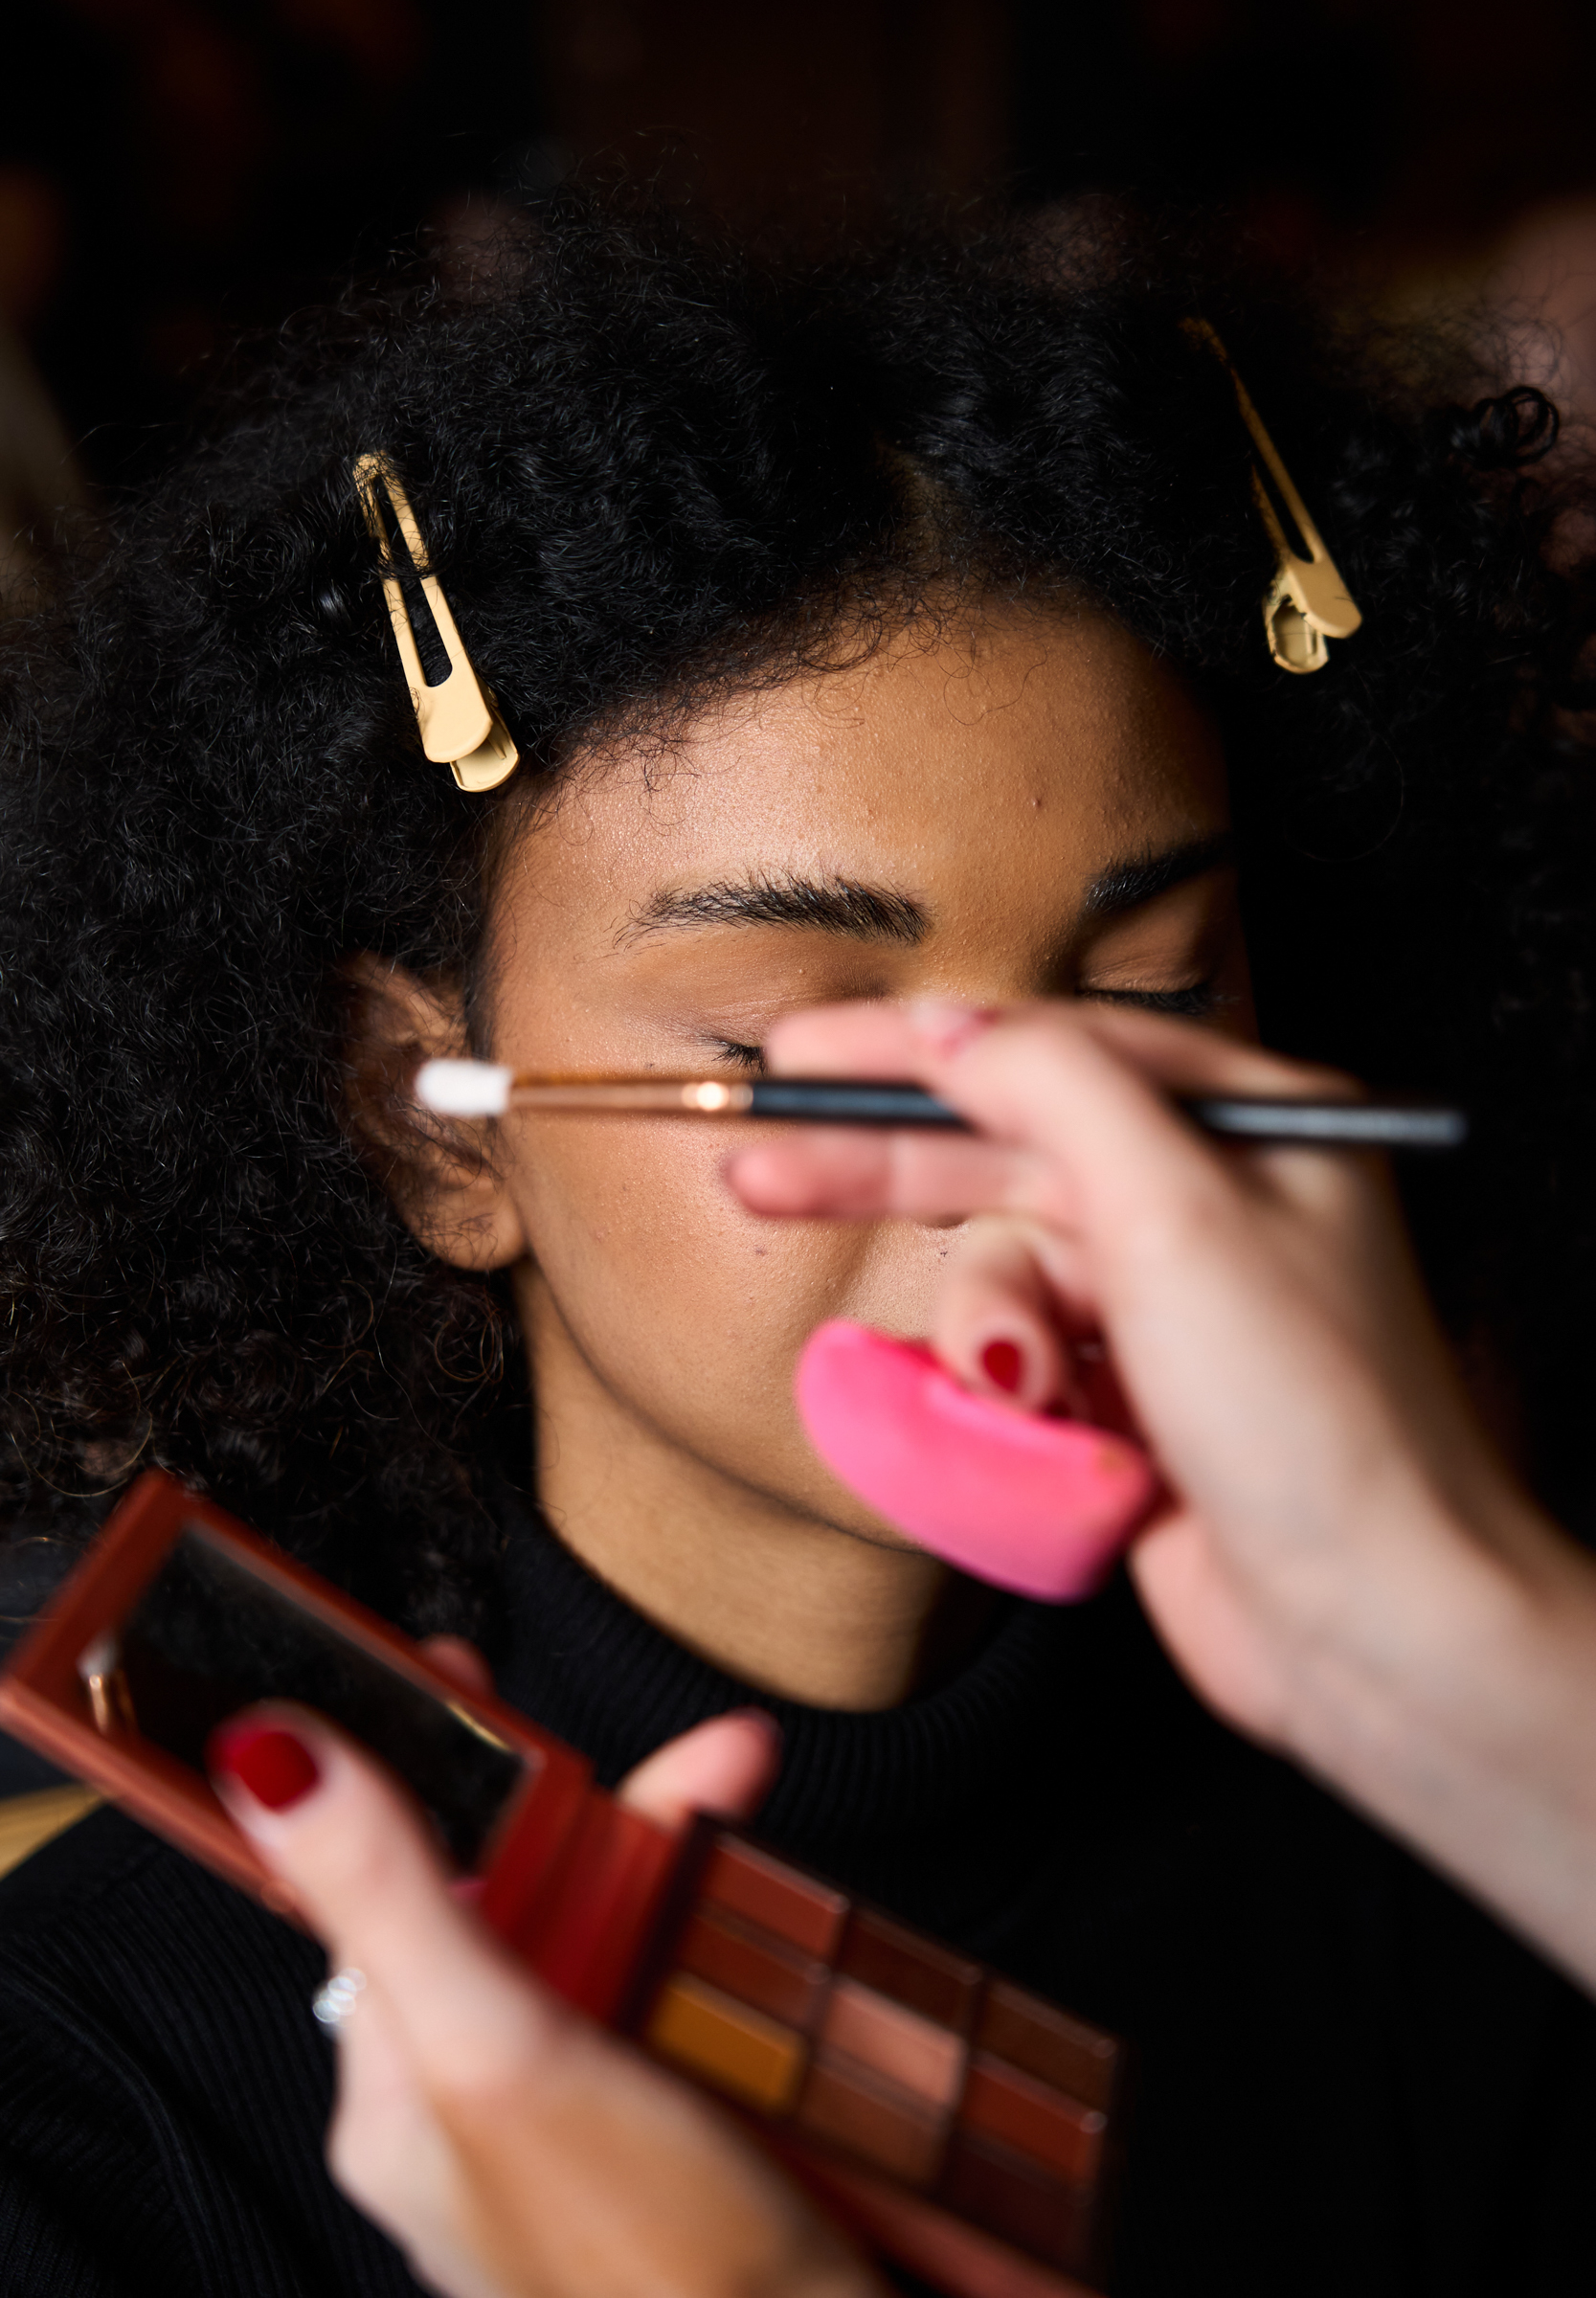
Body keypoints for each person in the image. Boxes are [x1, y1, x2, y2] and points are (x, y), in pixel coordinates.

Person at [2, 193, 1596, 2296]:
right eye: (814, 1054)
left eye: (1149, 991)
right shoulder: (90, 2076)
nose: (1031, 1162)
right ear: (431, 1121)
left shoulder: (1464, 1861)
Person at [206, 988, 1596, 2298]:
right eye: (776, 1055)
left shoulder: (1451, 1892)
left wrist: (1451, 1646)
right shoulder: (93, 2109)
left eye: (1152, 997)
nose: (994, 1177)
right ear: (433, 1120)